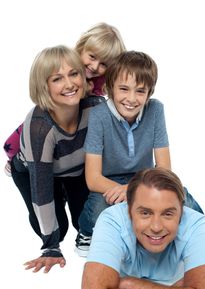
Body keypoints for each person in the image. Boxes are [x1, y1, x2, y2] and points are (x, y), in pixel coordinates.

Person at [77, 50, 203, 256]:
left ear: (149, 93)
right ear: (110, 88)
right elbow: (92, 178)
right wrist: (127, 191)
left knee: (182, 198)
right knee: (99, 208)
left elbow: (164, 169)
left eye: (140, 91)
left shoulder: (155, 110)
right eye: (124, 89)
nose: (131, 99)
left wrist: (134, 190)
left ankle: (186, 233)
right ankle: (87, 233)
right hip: (109, 183)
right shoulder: (99, 115)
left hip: (146, 178)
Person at [82, 167, 205, 289]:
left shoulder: (197, 225)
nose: (156, 227)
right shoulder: (111, 221)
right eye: (145, 213)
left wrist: (131, 284)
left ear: (181, 213)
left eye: (168, 214)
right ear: (129, 211)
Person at [11, 45, 104, 273]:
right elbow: (41, 191)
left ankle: (66, 192)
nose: (69, 84)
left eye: (74, 74)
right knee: (58, 229)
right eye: (57, 79)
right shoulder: (40, 126)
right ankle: (57, 198)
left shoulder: (95, 108)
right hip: (39, 172)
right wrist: (51, 246)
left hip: (75, 169)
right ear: (44, 86)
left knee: (84, 222)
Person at [3, 22, 126, 175]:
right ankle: (13, 162)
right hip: (49, 114)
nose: (94, 67)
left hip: (71, 123)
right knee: (12, 144)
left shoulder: (100, 82)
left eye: (103, 64)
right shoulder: (67, 62)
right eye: (92, 57)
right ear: (81, 48)